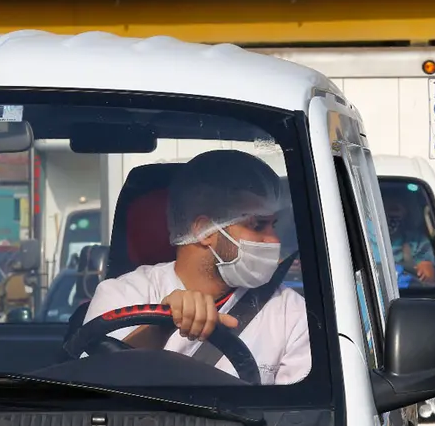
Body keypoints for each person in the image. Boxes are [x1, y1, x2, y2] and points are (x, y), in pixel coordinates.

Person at [83, 149, 311, 385]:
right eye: (257, 225)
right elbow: (95, 391)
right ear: (204, 230)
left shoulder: (291, 313)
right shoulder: (122, 296)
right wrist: (159, 325)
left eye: (273, 225)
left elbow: (297, 414)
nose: (274, 241)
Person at [382, 186, 435, 285]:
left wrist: (413, 271)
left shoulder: (417, 242)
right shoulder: (361, 237)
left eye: (394, 209)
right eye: (382, 208)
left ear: (405, 212)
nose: (387, 214)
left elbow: (430, 283)